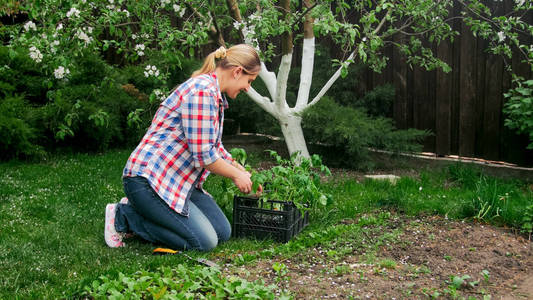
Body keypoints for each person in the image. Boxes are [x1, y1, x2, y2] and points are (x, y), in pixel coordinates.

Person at [104, 44, 261, 251]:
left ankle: (147, 212)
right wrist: (235, 176)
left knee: (222, 232)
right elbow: (205, 157)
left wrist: (242, 171)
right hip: (148, 182)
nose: (247, 88)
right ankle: (124, 216)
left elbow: (214, 146)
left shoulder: (213, 94)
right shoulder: (202, 92)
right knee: (204, 242)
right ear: (237, 71)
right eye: (249, 81)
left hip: (177, 182)